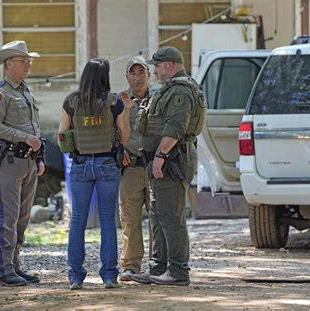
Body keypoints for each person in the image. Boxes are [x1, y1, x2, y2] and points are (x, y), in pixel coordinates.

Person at [131, 46, 206, 286]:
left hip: (172, 159)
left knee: (171, 216)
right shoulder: (172, 89)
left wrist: (161, 156)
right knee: (158, 214)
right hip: (166, 159)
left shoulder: (179, 91)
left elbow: (176, 127)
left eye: (158, 66)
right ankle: (159, 268)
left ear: (171, 65)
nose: (154, 71)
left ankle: (178, 271)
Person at [58, 58, 130, 290]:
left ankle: (75, 277)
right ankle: (109, 276)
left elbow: (62, 137)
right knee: (108, 220)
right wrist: (126, 111)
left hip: (80, 164)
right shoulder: (113, 102)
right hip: (107, 163)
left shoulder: (71, 102)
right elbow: (125, 137)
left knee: (78, 220)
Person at [0, 40, 46, 287]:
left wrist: (39, 157)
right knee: (8, 217)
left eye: (28, 61)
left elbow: (34, 127)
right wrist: (24, 138)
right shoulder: (0, 92)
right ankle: (5, 270)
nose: (28, 65)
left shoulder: (24, 90)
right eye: (24, 61)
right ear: (9, 64)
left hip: (28, 161)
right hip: (8, 163)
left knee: (22, 218)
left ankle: (15, 265)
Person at [117, 56, 154, 282]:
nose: (138, 77)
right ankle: (131, 265)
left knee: (158, 217)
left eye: (142, 73)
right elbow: (112, 131)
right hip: (130, 167)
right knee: (129, 218)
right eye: (133, 73)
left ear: (149, 75)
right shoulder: (119, 100)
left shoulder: (159, 98)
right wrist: (118, 150)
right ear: (127, 76)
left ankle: (160, 264)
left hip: (155, 166)